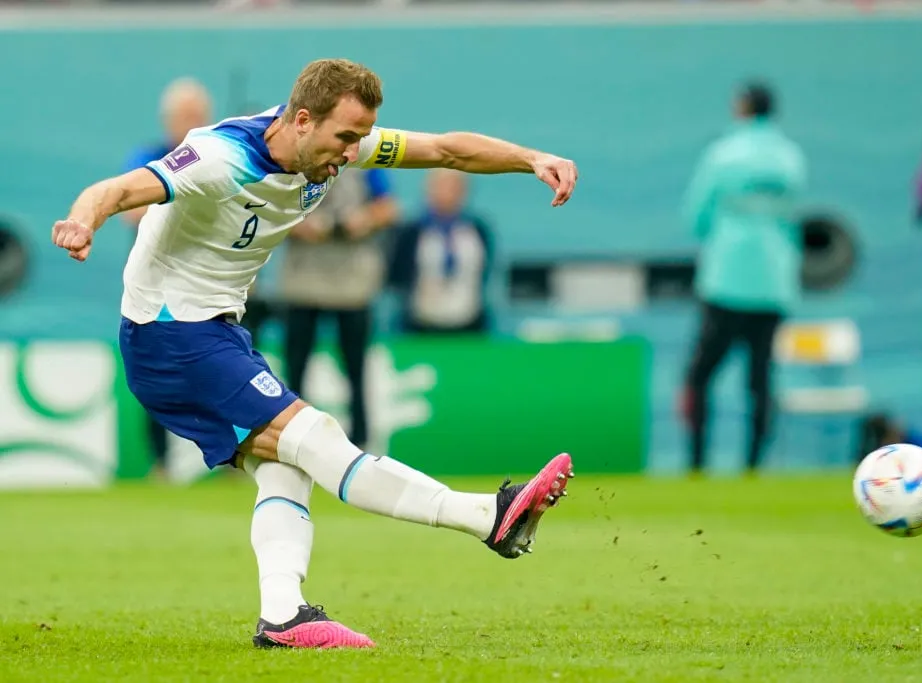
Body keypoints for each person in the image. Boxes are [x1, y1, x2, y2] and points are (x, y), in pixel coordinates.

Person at [52, 58, 577, 650]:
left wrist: (533, 157)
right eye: (345, 138)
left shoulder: (334, 143)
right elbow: (118, 190)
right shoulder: (220, 159)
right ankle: (489, 517)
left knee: (286, 466)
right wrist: (81, 220)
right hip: (171, 336)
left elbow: (448, 151)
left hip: (216, 333)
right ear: (302, 120)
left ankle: (283, 616)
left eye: (359, 138)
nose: (353, 152)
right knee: (317, 435)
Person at [678, 81, 807, 476]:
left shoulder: (722, 154)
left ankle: (697, 464)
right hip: (773, 283)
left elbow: (696, 215)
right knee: (761, 378)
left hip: (726, 280)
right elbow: (793, 213)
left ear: (741, 108)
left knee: (699, 376)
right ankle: (753, 466)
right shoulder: (790, 158)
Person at [120, 77, 214, 480]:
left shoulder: (218, 155)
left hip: (208, 287)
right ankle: (162, 462)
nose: (191, 122)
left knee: (217, 373)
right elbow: (130, 210)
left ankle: (228, 459)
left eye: (198, 115)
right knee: (158, 377)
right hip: (156, 289)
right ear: (168, 120)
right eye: (184, 116)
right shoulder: (148, 158)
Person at [279, 166, 399, 448]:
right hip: (303, 277)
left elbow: (389, 207)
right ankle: (292, 439)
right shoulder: (295, 158)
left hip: (352, 281)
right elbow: (268, 207)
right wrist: (301, 224)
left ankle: (361, 442)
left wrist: (364, 219)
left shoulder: (366, 161)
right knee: (295, 369)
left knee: (356, 368)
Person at [388, 168, 494, 335]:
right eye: (441, 186)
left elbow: (485, 271)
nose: (447, 193)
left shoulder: (477, 229)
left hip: (469, 322)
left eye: (454, 187)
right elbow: (397, 274)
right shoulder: (412, 231)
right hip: (421, 323)